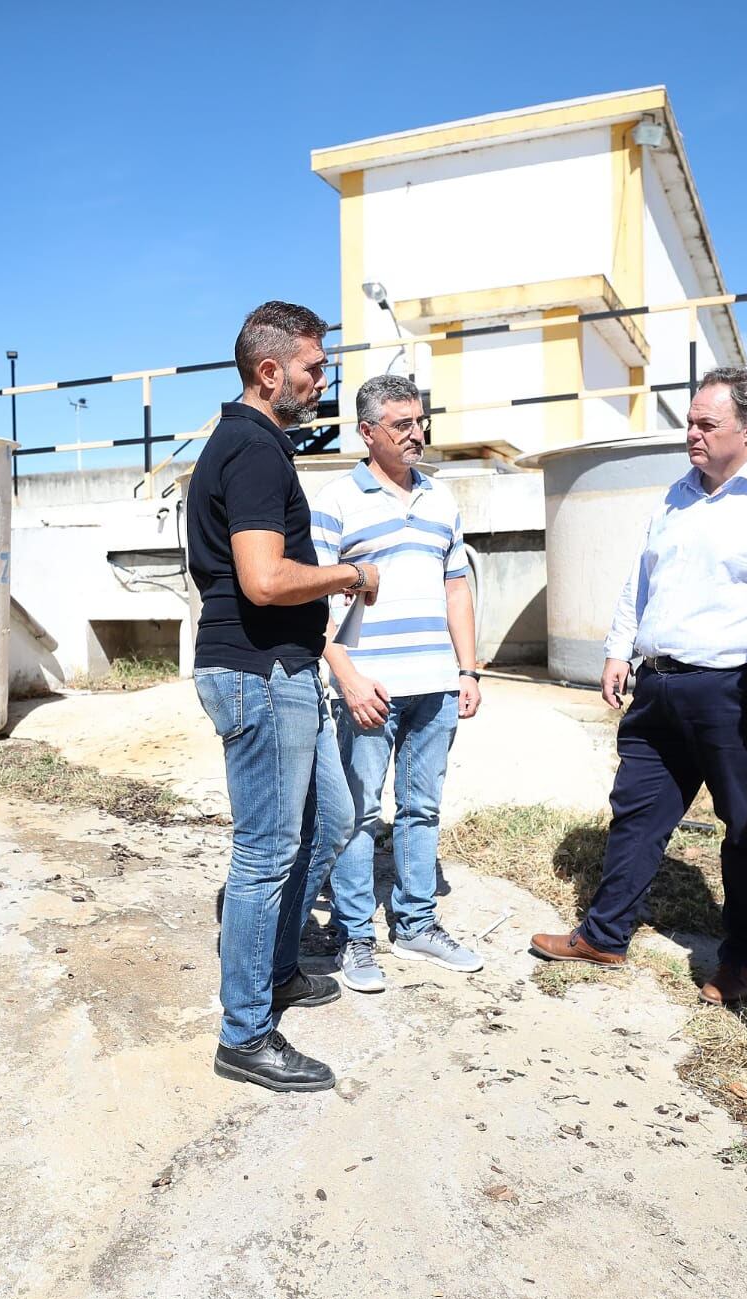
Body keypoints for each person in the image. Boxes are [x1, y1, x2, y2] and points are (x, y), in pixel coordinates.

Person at [528, 368, 747, 1003]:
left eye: (706, 424)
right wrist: (619, 651)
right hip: (661, 686)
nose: (691, 435)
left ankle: (739, 959)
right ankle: (604, 935)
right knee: (636, 814)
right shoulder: (675, 496)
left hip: (741, 691)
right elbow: (641, 582)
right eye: (689, 423)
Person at [187, 300, 376, 1093]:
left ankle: (276, 968)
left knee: (330, 818)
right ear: (270, 373)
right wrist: (350, 574)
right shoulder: (254, 449)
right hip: (261, 673)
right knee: (266, 850)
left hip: (284, 670)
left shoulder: (252, 444)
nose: (321, 377)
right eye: (312, 366)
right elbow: (264, 581)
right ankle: (246, 1033)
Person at [305, 374, 485, 993]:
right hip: (368, 689)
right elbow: (311, 605)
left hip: (435, 682)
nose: (418, 434)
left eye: (421, 421)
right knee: (358, 814)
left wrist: (467, 668)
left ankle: (415, 924)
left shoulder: (441, 499)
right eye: (402, 424)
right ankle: (356, 936)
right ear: (367, 432)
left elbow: (456, 586)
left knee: (423, 808)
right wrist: (347, 678)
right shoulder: (334, 501)